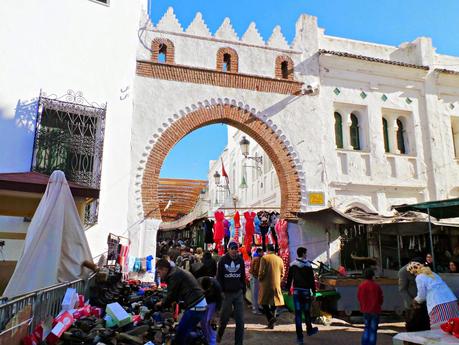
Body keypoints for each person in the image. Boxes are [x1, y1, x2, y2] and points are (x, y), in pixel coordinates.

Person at [155, 259, 207, 345]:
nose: (159, 275)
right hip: (200, 304)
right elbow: (177, 293)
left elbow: (171, 295)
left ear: (164, 269)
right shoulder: (176, 271)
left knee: (180, 336)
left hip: (195, 306)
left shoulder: (173, 275)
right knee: (186, 333)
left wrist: (162, 304)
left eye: (159, 272)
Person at [407, 261, 459, 328]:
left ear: (414, 272)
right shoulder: (433, 273)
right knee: (454, 326)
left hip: (438, 304)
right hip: (452, 301)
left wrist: (415, 300)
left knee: (439, 329)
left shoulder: (419, 277)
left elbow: (422, 296)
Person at [286, 247, 318, 345]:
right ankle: (309, 330)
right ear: (303, 254)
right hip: (305, 292)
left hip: (296, 292)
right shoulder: (308, 265)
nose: (306, 255)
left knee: (298, 315)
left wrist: (288, 290)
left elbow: (289, 278)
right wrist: (314, 292)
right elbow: (312, 281)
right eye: (306, 253)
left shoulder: (293, 265)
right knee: (307, 312)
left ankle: (300, 338)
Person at [216, 241, 246, 345]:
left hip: (238, 293)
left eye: (235, 249)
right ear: (228, 249)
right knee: (224, 319)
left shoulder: (240, 260)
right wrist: (221, 292)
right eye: (232, 248)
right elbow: (219, 277)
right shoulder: (223, 261)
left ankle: (238, 343)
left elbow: (243, 276)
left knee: (240, 322)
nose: (234, 251)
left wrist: (243, 290)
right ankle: (219, 334)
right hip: (226, 294)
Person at [398, 257, 430, 332]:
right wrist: (411, 302)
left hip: (425, 303)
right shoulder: (403, 271)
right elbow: (402, 290)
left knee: (426, 327)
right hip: (412, 306)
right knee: (413, 328)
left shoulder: (424, 269)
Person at [258, 244, 284, 329]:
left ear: (267, 249)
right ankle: (271, 323)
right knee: (274, 302)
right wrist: (278, 281)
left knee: (263, 302)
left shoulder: (264, 258)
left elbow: (261, 272)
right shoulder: (280, 259)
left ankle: (270, 318)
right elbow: (282, 273)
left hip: (266, 284)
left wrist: (260, 279)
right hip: (276, 284)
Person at [357, 268, 383, 345]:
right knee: (373, 330)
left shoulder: (361, 285)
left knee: (366, 328)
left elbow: (359, 297)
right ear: (372, 276)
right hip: (375, 309)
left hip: (365, 309)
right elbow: (380, 298)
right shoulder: (376, 286)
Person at [198, 276, 223, 345]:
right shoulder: (199, 282)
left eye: (207, 290)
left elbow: (219, 300)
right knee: (203, 322)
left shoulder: (217, 285)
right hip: (202, 302)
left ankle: (212, 342)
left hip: (213, 303)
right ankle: (205, 339)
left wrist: (216, 313)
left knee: (210, 323)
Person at [249, 247, 263, 315]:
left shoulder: (255, 258)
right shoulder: (258, 259)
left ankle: (256, 307)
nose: (263, 253)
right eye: (262, 252)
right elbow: (255, 269)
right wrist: (257, 276)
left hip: (253, 276)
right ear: (259, 252)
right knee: (255, 294)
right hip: (255, 277)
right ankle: (255, 309)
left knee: (254, 293)